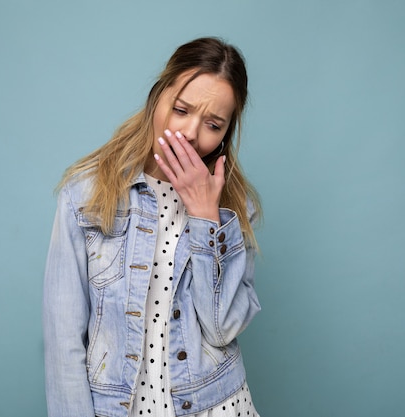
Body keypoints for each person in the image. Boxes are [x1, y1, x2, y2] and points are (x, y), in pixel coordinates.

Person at [43, 37, 262, 417]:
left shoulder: (234, 206)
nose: (192, 132)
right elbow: (63, 340)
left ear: (226, 132)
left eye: (213, 124)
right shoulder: (86, 194)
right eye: (181, 109)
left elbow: (222, 329)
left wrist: (205, 218)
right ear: (157, 95)